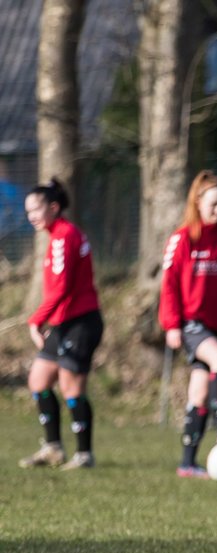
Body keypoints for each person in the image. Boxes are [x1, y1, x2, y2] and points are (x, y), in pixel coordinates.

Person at [158, 170, 217, 478]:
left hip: (215, 327)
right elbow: (169, 284)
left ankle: (187, 463)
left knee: (198, 395)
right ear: (197, 203)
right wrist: (171, 324)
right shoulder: (182, 239)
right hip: (189, 324)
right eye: (214, 204)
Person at [19, 178, 103, 470]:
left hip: (80, 322)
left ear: (53, 208)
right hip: (63, 322)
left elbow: (62, 288)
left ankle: (84, 454)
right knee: (39, 381)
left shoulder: (64, 236)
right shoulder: (58, 235)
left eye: (36, 210)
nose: (31, 217)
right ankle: (53, 448)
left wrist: (36, 320)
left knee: (71, 388)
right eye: (28, 211)